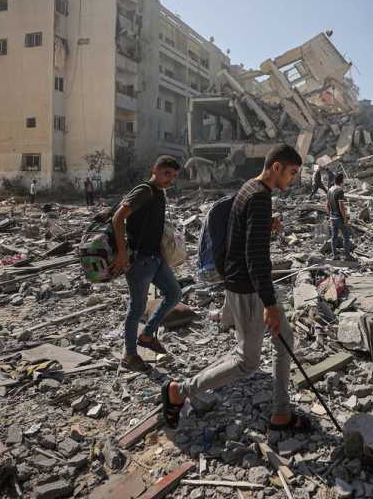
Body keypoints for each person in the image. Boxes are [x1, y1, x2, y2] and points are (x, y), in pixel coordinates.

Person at [161, 144, 310, 432]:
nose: (292, 180)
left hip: (239, 282)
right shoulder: (259, 199)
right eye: (291, 173)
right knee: (247, 361)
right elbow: (256, 258)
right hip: (249, 288)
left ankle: (281, 412)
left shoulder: (249, 188)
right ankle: (180, 391)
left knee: (284, 343)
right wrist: (269, 305)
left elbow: (240, 235)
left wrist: (265, 225)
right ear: (276, 167)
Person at [109, 156, 183, 372]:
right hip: (139, 260)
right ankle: (129, 356)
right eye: (167, 173)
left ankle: (148, 334)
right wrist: (122, 254)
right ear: (155, 170)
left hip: (155, 258)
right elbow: (118, 218)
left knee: (174, 294)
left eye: (174, 176)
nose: (170, 179)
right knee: (137, 307)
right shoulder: (144, 190)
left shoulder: (159, 192)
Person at [327, 172, 354, 259]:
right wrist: (345, 218)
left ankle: (335, 255)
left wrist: (329, 215)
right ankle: (347, 255)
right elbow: (341, 206)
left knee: (334, 237)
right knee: (346, 236)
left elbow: (327, 204)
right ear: (342, 180)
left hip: (332, 217)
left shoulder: (330, 190)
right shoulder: (340, 191)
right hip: (339, 218)